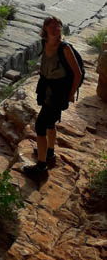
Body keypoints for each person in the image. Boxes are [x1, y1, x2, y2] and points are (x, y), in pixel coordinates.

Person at [22, 16, 82, 184]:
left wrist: (70, 94)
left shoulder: (64, 48)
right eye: (52, 26)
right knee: (49, 124)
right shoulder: (44, 44)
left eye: (58, 26)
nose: (56, 29)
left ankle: (41, 167)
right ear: (45, 29)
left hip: (58, 92)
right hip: (47, 89)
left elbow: (78, 74)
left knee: (40, 125)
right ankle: (49, 153)